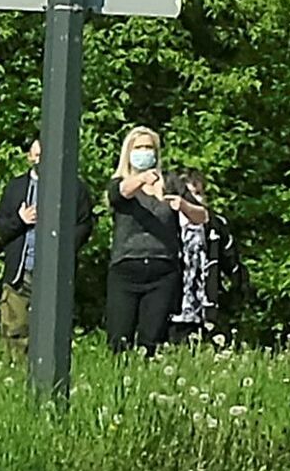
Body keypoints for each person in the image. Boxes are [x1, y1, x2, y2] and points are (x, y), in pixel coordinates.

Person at [105, 126, 206, 356]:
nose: (144, 152)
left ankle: (144, 378)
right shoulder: (120, 182)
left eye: (149, 147)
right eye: (139, 147)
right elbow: (121, 193)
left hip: (162, 269)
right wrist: (142, 179)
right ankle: (118, 382)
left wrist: (183, 205)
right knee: (119, 339)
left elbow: (203, 216)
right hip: (127, 267)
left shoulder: (170, 182)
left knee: (151, 340)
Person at [0, 137, 94, 361]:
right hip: (21, 272)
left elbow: (85, 225)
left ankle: (50, 372)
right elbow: (1, 228)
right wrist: (20, 220)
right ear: (30, 157)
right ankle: (15, 373)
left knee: (52, 330)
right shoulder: (16, 188)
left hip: (54, 273)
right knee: (15, 327)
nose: (40, 159)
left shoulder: (73, 188)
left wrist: (64, 247)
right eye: (36, 155)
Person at [169, 168, 251, 345]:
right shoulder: (166, 223)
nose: (193, 200)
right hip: (171, 307)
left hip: (206, 308)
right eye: (188, 194)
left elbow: (232, 263)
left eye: (198, 194)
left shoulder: (215, 225)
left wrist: (235, 295)